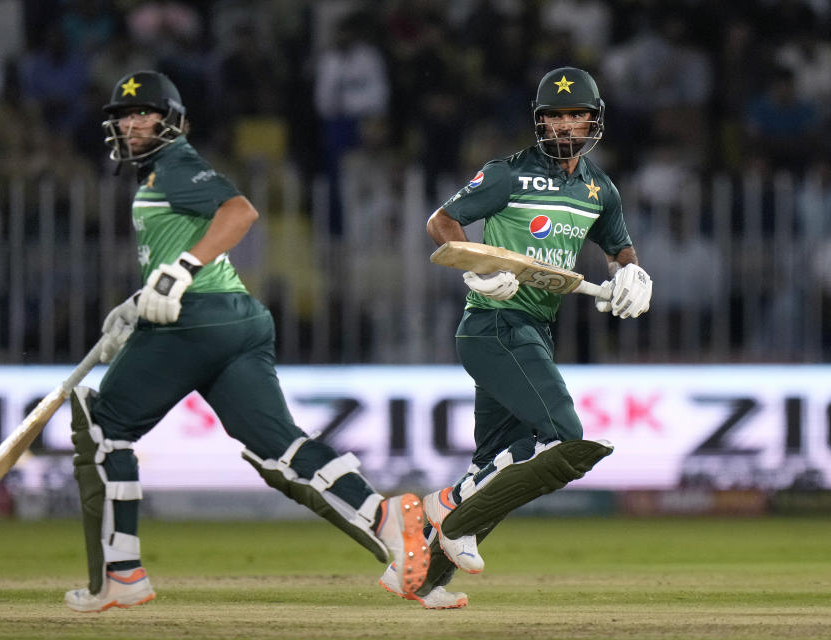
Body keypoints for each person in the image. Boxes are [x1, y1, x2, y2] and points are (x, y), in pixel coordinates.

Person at [63, 70, 429, 612]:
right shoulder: (161, 173)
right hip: (237, 318)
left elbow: (241, 212)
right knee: (277, 445)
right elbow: (183, 243)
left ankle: (120, 576)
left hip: (196, 317)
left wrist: (180, 272)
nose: (130, 123)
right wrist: (140, 301)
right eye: (122, 115)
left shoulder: (176, 162)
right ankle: (385, 518)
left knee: (101, 429)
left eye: (143, 113)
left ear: (174, 121)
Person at [379, 67, 652, 609]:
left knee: (496, 467)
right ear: (539, 122)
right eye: (554, 116)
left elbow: (619, 247)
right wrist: (477, 267)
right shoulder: (509, 174)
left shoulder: (600, 189)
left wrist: (631, 273)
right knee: (563, 438)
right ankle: (446, 506)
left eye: (576, 116)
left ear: (594, 121)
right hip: (495, 324)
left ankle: (420, 578)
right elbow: (442, 222)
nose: (565, 126)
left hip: (534, 331)